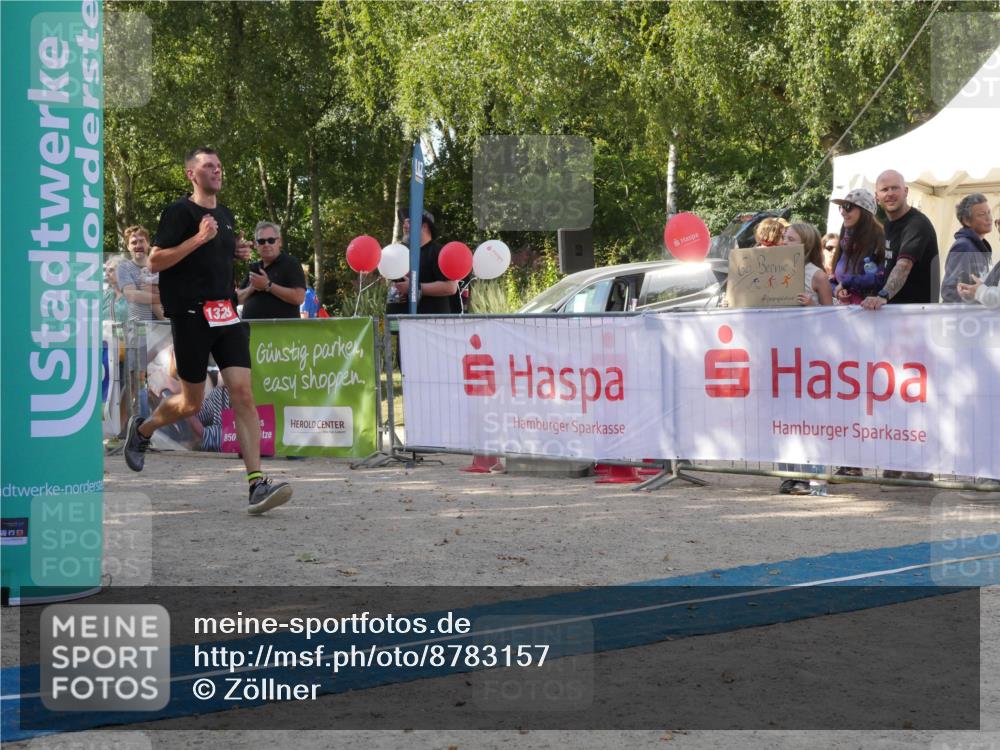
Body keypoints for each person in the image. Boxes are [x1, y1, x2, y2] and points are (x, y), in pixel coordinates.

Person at [123, 147, 292, 515]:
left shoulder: (225, 215)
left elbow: (215, 255)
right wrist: (198, 239)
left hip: (226, 313)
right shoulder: (179, 212)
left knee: (243, 394)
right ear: (191, 175)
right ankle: (143, 431)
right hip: (190, 315)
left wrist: (236, 251)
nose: (217, 171)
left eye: (219, 165)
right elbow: (155, 259)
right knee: (192, 402)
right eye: (209, 166)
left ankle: (256, 484)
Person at [776, 222, 832, 496]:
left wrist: (813, 307)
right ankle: (788, 474)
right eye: (784, 238)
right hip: (782, 352)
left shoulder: (817, 275)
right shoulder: (772, 271)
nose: (784, 243)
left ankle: (814, 476)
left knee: (810, 417)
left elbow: (832, 315)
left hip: (810, 355)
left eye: (791, 239)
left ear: (806, 243)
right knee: (784, 415)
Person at [861, 169, 939, 310]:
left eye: (895, 188)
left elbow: (903, 266)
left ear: (906, 191)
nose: (890, 193)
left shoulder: (917, 224)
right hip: (894, 313)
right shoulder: (887, 225)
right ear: (877, 198)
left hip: (915, 314)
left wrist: (883, 296)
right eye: (884, 189)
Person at [385, 210, 457, 315]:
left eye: (409, 222)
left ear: (424, 226)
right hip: (399, 323)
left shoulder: (439, 252)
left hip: (428, 324)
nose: (404, 226)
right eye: (404, 223)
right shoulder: (404, 253)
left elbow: (450, 287)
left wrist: (414, 288)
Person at [236, 221, 306, 319]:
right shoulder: (254, 267)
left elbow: (299, 297)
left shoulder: (291, 263)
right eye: (261, 241)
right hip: (252, 330)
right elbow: (237, 298)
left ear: (279, 242)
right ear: (256, 244)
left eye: (271, 240)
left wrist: (268, 285)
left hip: (281, 331)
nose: (266, 244)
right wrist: (251, 288)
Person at [830, 188, 885, 306]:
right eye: (841, 207)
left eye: (848, 207)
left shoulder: (878, 240)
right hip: (845, 312)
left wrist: (848, 283)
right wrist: (837, 290)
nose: (843, 212)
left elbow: (880, 279)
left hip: (869, 313)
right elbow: (833, 279)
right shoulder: (845, 237)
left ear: (865, 211)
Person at [941, 194, 993, 302]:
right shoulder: (963, 247)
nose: (989, 218)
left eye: (989, 212)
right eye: (982, 214)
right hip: (963, 316)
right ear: (966, 221)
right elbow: (951, 291)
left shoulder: (980, 246)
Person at [117, 225, 164, 322]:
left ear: (148, 243)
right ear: (128, 247)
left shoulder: (161, 264)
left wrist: (146, 294)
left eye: (141, 241)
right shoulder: (123, 267)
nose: (138, 245)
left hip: (165, 326)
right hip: (138, 327)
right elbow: (132, 295)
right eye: (134, 242)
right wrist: (164, 298)